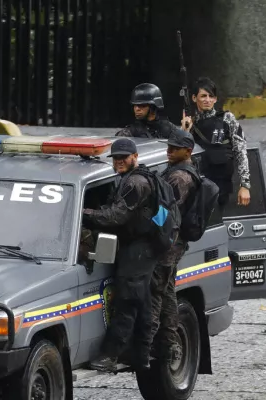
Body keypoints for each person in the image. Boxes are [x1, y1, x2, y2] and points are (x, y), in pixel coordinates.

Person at [82, 138, 158, 372]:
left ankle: (111, 355)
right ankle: (142, 355)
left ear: (135, 157)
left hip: (138, 250)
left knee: (127, 302)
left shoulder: (135, 183)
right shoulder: (129, 178)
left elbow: (116, 216)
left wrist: (80, 212)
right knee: (142, 303)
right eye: (116, 158)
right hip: (140, 248)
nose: (119, 161)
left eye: (124, 157)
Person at [149, 128, 198, 363]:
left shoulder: (180, 178)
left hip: (170, 243)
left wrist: (145, 227)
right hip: (172, 240)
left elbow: (167, 213)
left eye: (174, 148)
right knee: (166, 289)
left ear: (188, 151)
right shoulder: (178, 170)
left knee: (160, 289)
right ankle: (167, 341)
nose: (168, 151)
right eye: (168, 147)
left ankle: (164, 342)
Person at [184, 77, 250, 207]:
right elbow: (180, 156)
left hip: (222, 186)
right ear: (194, 98)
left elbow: (241, 152)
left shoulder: (227, 119)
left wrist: (245, 185)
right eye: (203, 96)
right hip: (199, 186)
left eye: (211, 96)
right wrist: (185, 131)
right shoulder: (190, 124)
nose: (207, 100)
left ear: (215, 99)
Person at [115, 83, 183, 139]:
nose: (137, 109)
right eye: (135, 105)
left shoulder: (169, 128)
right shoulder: (129, 132)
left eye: (142, 105)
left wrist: (186, 130)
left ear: (153, 107)